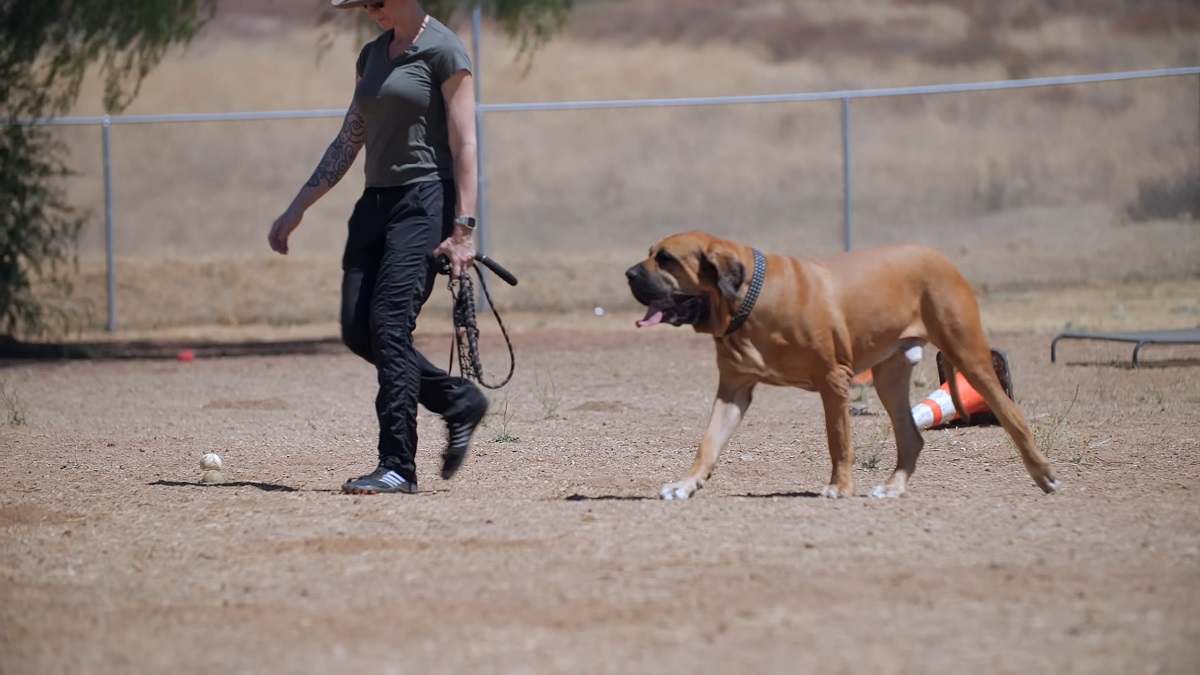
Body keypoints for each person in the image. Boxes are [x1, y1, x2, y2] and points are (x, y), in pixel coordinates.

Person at [267, 0, 488, 495]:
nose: (371, 9)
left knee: (388, 323)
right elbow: (349, 139)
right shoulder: (371, 56)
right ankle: (457, 400)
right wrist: (298, 207)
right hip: (374, 205)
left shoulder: (444, 51)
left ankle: (397, 466)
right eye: (363, 3)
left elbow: (465, 144)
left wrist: (464, 229)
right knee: (357, 329)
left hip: (426, 200)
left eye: (377, 0)